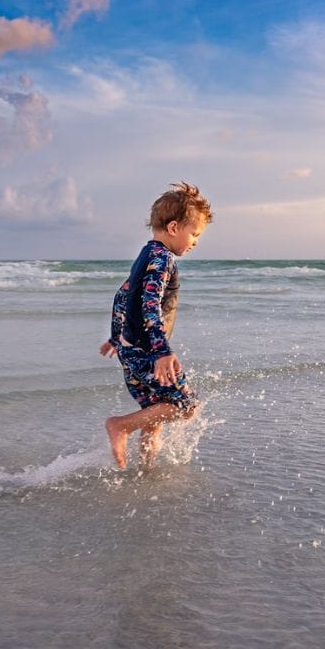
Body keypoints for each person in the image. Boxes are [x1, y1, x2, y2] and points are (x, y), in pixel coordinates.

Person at [101, 182, 213, 470]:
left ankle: (145, 471)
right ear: (174, 228)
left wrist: (117, 338)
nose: (196, 242)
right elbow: (149, 302)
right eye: (195, 234)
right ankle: (121, 426)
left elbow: (124, 294)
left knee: (154, 412)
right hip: (148, 351)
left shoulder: (146, 255)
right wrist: (162, 351)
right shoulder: (162, 258)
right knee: (186, 406)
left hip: (131, 349)